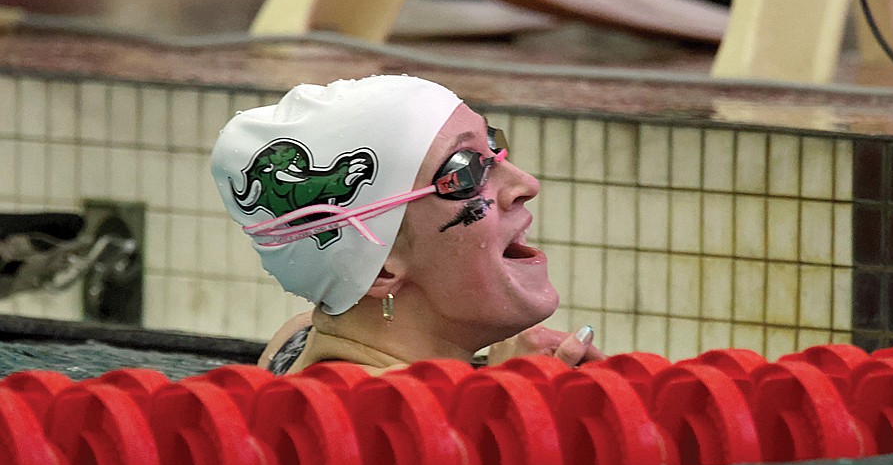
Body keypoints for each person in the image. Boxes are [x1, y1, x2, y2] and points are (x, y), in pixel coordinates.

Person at [211, 75, 604, 374]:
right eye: (464, 170)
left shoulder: (297, 340)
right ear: (380, 266)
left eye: (493, 144)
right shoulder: (388, 422)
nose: (525, 184)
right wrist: (513, 401)